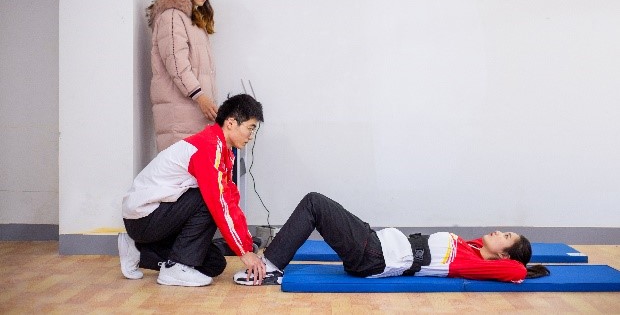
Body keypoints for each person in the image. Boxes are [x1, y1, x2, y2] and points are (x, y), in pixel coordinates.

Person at [233, 192, 550, 286]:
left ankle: (268, 267)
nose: (498, 232)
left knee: (314, 203)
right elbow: (491, 249)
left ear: (505, 255)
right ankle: (271, 262)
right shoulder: (472, 248)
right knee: (318, 205)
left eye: (505, 236)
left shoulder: (476, 264)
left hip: (374, 256)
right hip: (375, 243)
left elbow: (517, 271)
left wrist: (524, 267)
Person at [119, 94, 267, 287]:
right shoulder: (208, 147)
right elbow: (219, 204)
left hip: (158, 218)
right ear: (231, 123)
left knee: (214, 264)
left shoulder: (223, 151)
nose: (251, 136)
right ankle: (176, 267)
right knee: (208, 200)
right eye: (250, 128)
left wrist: (246, 247)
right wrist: (243, 252)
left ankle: (139, 251)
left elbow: (231, 202)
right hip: (143, 218)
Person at [147, 0, 219, 152]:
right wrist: (201, 97)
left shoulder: (194, 22)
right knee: (181, 168)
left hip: (195, 115)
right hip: (179, 117)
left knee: (196, 168)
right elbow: (177, 66)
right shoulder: (172, 17)